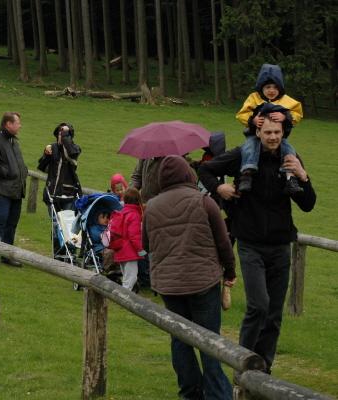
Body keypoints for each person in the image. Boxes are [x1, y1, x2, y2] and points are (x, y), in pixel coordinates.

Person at [198, 110, 316, 374]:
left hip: (281, 244)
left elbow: (308, 204)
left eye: (277, 132)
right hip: (251, 243)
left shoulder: (290, 158)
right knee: (258, 306)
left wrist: (303, 176)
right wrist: (219, 188)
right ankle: (243, 365)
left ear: (283, 133)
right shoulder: (243, 155)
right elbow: (205, 169)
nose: (273, 137)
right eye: (268, 132)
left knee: (273, 314)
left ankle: (263, 370)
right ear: (258, 132)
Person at [143, 155, 237, 400]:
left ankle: (190, 391)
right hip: (203, 281)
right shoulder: (205, 202)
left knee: (179, 339)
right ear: (188, 174)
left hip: (169, 284)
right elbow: (223, 242)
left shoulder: (151, 207)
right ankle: (218, 394)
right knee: (209, 340)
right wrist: (230, 271)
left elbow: (146, 244)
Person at [235, 63, 304, 194]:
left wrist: (285, 116)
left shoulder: (286, 101)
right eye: (268, 87)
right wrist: (253, 119)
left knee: (289, 151)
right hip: (255, 136)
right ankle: (246, 175)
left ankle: (290, 178)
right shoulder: (254, 98)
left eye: (275, 87)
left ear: (280, 88)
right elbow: (241, 114)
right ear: (261, 87)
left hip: (279, 138)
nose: (271, 90)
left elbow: (297, 113)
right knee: (249, 148)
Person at [0, 112, 27, 267]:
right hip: (0, 190)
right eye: (17, 123)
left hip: (15, 190)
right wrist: (6, 172)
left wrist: (22, 172)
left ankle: (8, 255)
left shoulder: (13, 141)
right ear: (8, 124)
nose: (20, 126)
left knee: (11, 223)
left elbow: (17, 163)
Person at [37, 122, 82, 211]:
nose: (60, 136)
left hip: (68, 196)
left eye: (64, 134)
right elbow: (42, 167)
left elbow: (71, 153)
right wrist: (46, 155)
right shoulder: (52, 147)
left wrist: (65, 135)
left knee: (66, 220)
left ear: (69, 137)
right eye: (59, 134)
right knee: (55, 220)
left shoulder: (75, 149)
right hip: (52, 194)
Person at [108, 187, 146, 292]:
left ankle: (123, 295)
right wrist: (141, 250)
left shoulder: (121, 212)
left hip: (120, 250)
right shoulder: (134, 215)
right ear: (138, 200)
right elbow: (134, 236)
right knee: (131, 278)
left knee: (126, 277)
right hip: (130, 251)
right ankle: (123, 297)